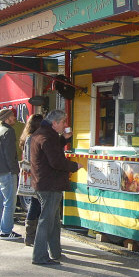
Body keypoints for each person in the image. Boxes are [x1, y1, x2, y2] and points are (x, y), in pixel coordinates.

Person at [29, 109, 81, 265]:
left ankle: (55, 252)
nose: (65, 125)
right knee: (47, 221)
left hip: (43, 182)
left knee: (53, 221)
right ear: (55, 123)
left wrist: (63, 140)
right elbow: (55, 161)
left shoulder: (42, 133)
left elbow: (49, 150)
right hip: (50, 184)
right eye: (63, 122)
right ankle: (39, 256)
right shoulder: (47, 136)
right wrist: (74, 166)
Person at [0, 108, 22, 240]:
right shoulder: (9, 131)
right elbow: (10, 155)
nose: (14, 118)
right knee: (10, 202)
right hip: (8, 171)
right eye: (12, 116)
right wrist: (15, 169)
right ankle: (6, 231)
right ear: (7, 118)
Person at [19, 113, 44, 246]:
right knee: (36, 204)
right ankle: (31, 235)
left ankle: (30, 235)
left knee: (35, 204)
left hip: (29, 174)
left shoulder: (27, 137)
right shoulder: (33, 138)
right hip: (34, 174)